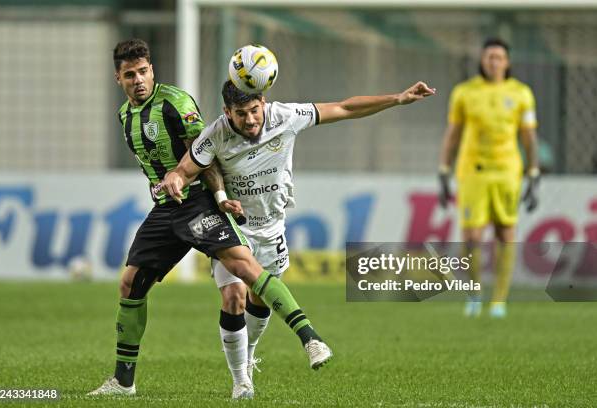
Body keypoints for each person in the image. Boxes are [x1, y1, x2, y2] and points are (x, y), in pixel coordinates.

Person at [88, 39, 332, 399]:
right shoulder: (125, 116)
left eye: (142, 71)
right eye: (129, 74)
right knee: (129, 284)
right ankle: (123, 382)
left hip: (199, 204)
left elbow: (206, 156)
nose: (138, 79)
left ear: (152, 70)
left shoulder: (176, 103)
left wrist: (218, 196)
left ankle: (309, 337)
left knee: (244, 272)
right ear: (118, 79)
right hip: (167, 210)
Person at [160, 79, 436, 397]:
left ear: (263, 102)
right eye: (240, 114)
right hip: (233, 227)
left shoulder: (286, 116)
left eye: (254, 110)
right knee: (234, 298)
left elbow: (344, 107)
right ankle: (241, 381)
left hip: (272, 227)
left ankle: (248, 358)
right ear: (227, 112)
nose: (249, 120)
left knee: (259, 300)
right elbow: (186, 168)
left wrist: (398, 98)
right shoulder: (215, 135)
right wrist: (175, 178)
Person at [438, 38, 540, 318]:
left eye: (498, 57)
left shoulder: (521, 93)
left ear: (507, 62)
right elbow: (453, 133)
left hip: (507, 170)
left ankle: (499, 300)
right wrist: (443, 170)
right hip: (473, 170)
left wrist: (534, 173)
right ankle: (474, 293)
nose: (493, 62)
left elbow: (528, 136)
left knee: (505, 233)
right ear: (482, 61)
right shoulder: (465, 92)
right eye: (489, 57)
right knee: (471, 236)